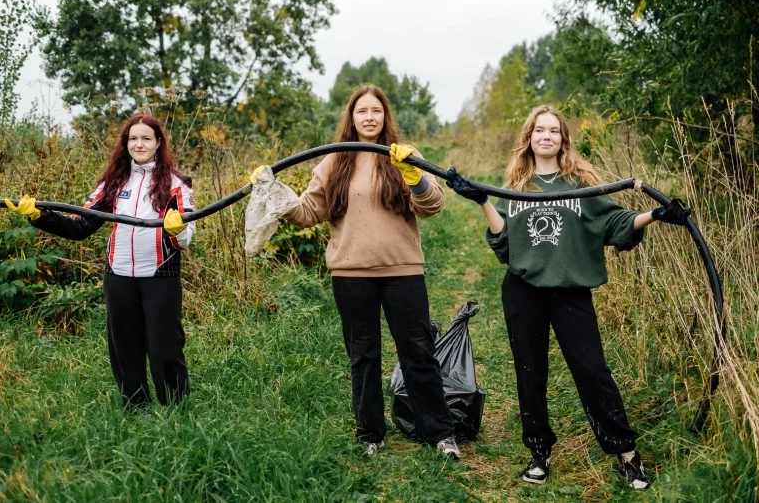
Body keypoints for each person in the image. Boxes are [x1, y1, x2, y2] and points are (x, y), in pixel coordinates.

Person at [446, 105, 690, 489]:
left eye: (554, 131)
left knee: (593, 370)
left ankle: (626, 453)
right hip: (524, 292)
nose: (546, 136)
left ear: (563, 139)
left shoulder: (582, 183)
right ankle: (538, 452)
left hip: (571, 292)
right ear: (529, 137)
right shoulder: (516, 186)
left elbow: (615, 222)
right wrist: (482, 201)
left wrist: (655, 215)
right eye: (539, 130)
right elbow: (505, 243)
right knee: (530, 373)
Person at [250, 84, 460, 458]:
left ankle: (440, 432)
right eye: (362, 111)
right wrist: (273, 193)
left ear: (385, 117)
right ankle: (371, 435)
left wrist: (414, 176)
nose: (369, 117)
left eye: (375, 111)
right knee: (363, 355)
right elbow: (307, 214)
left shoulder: (403, 156)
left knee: (418, 352)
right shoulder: (332, 162)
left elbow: (434, 205)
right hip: (351, 276)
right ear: (351, 118)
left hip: (403, 271)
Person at [4, 114, 196, 409]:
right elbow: (80, 225)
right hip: (118, 275)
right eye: (133, 138)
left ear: (158, 143)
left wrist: (178, 229)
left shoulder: (177, 184)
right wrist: (38, 216)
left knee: (164, 349)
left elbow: (186, 236)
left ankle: (176, 408)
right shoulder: (114, 182)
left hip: (160, 275)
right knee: (124, 347)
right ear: (126, 143)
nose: (139, 144)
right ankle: (135, 408)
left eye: (146, 138)